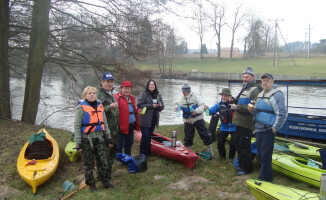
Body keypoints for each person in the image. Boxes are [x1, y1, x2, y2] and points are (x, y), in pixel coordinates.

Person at [248, 73, 287, 181]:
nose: (265, 83)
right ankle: (266, 175)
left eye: (267, 80)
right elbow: (258, 111)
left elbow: (282, 114)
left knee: (265, 155)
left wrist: (275, 128)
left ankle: (265, 178)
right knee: (260, 154)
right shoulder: (261, 94)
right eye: (263, 81)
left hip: (268, 130)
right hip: (259, 129)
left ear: (272, 82)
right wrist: (252, 110)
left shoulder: (277, 95)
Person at [74, 86, 113, 191]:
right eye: (89, 93)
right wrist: (78, 142)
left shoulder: (100, 106)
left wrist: (108, 137)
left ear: (96, 95)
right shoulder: (81, 108)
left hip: (99, 137)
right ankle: (91, 184)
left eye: (93, 93)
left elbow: (104, 123)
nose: (92, 95)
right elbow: (77, 126)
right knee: (88, 163)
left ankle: (105, 180)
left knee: (103, 161)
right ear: (85, 95)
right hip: (86, 139)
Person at [232, 67, 262, 175]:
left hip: (246, 123)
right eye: (244, 77)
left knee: (245, 146)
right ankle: (241, 165)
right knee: (239, 145)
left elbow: (253, 107)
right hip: (239, 121)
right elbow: (240, 102)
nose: (245, 79)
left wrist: (238, 107)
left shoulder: (255, 90)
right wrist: (233, 100)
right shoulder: (244, 88)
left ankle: (246, 168)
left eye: (247, 77)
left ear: (252, 77)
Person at [175, 84, 213, 156]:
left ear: (188, 91)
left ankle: (210, 151)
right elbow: (175, 106)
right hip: (188, 120)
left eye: (185, 91)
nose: (183, 93)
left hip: (197, 118)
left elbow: (203, 106)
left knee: (205, 134)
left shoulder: (196, 96)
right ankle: (189, 152)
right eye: (182, 91)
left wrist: (196, 111)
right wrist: (177, 107)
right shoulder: (181, 99)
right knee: (188, 137)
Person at [97, 72, 119, 179]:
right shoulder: (98, 95)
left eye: (111, 82)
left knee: (112, 154)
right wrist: (109, 107)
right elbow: (96, 112)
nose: (110, 84)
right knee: (104, 155)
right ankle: (102, 176)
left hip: (114, 130)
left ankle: (108, 174)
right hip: (105, 132)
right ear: (102, 82)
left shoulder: (112, 94)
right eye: (108, 82)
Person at [205, 88, 236, 159]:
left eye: (225, 96)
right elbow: (211, 112)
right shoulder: (219, 105)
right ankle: (223, 157)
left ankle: (231, 157)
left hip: (234, 127)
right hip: (224, 127)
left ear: (229, 96)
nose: (223, 97)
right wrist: (207, 109)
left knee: (233, 143)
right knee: (220, 144)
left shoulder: (234, 104)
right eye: (222, 95)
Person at [137, 80, 165, 157]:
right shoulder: (144, 94)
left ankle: (147, 152)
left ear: (155, 86)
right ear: (148, 85)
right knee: (145, 135)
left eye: (153, 84)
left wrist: (160, 105)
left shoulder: (158, 95)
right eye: (150, 84)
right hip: (145, 119)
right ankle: (142, 153)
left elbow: (162, 107)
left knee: (149, 136)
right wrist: (152, 105)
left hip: (153, 119)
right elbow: (139, 105)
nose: (152, 86)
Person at [114, 81, 140, 157]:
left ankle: (127, 157)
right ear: (121, 88)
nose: (127, 90)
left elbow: (133, 109)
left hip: (131, 125)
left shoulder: (131, 97)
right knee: (120, 143)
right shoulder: (116, 97)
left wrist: (138, 111)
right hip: (121, 125)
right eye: (125, 88)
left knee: (129, 142)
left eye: (129, 89)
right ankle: (119, 159)